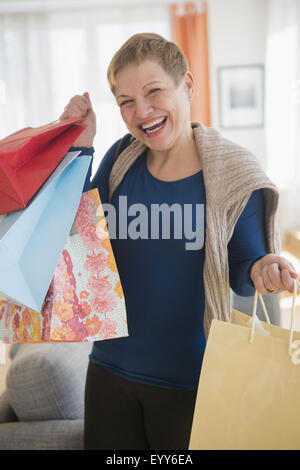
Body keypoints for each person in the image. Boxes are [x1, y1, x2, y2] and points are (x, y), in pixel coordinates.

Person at [60, 33, 298, 450]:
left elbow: (244, 274)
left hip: (193, 382)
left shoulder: (234, 173)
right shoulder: (121, 158)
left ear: (186, 85)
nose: (142, 111)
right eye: (126, 101)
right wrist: (81, 149)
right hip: (108, 373)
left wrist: (263, 269)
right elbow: (81, 235)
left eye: (154, 91)